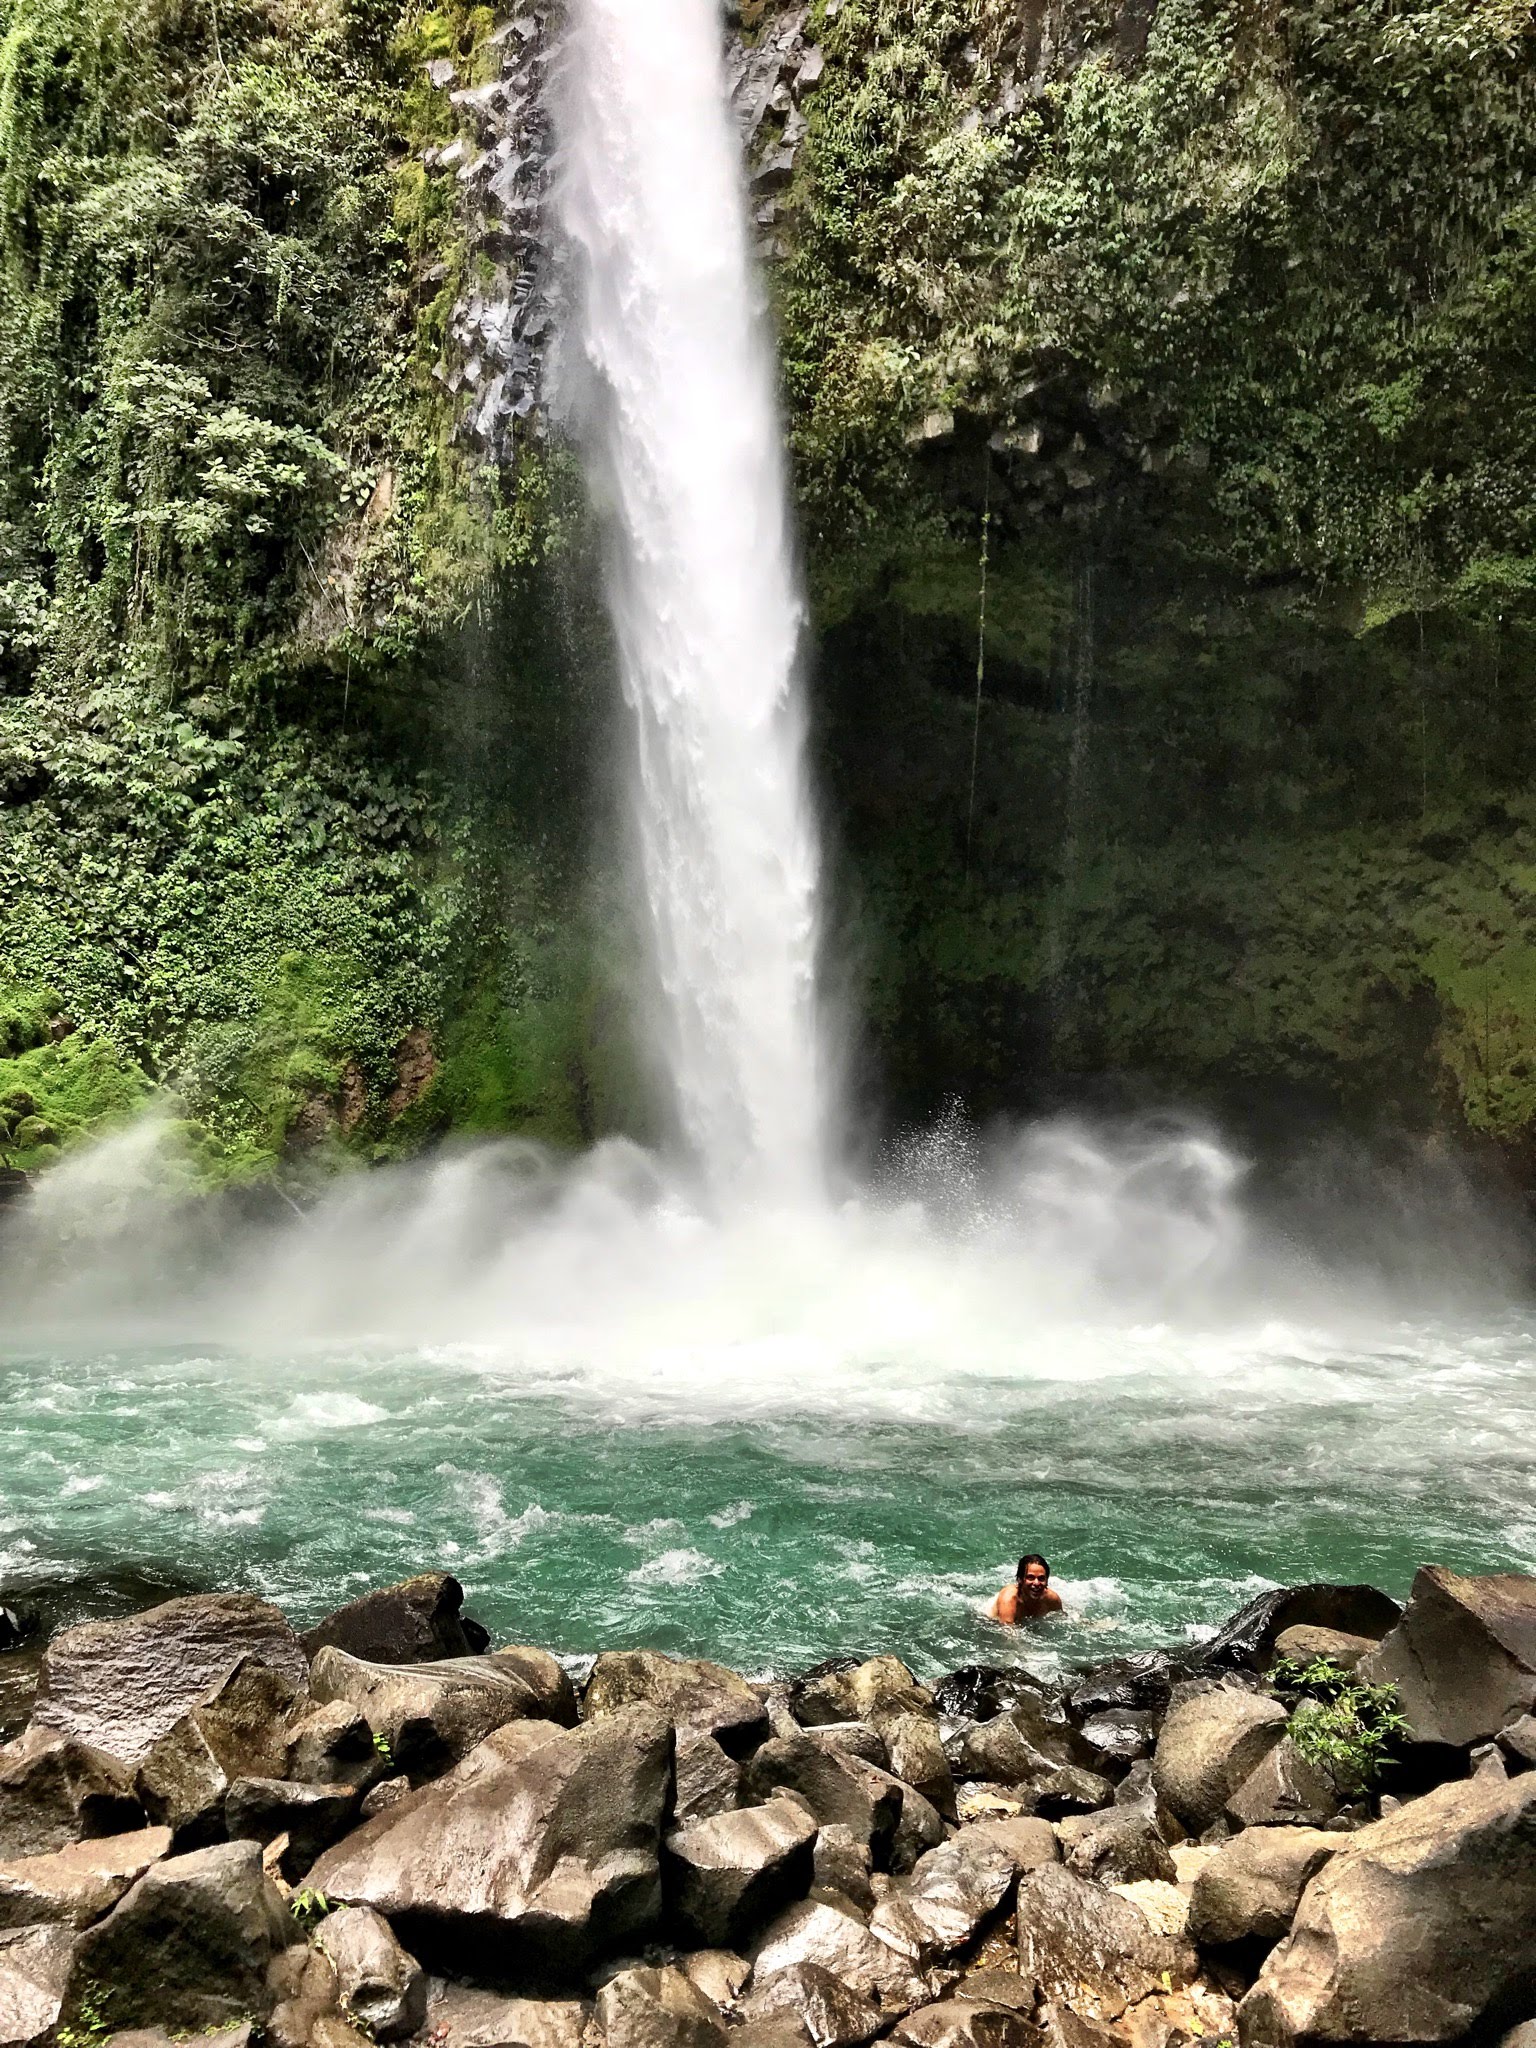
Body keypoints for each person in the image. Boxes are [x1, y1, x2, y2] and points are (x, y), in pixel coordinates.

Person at [988, 1553, 1063, 1624]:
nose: (1036, 1583)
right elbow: (1008, 1634)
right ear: (1020, 1579)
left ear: (1046, 1581)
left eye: (1041, 1578)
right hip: (990, 1619)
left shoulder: (1052, 1599)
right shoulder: (1009, 1600)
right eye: (1030, 1578)